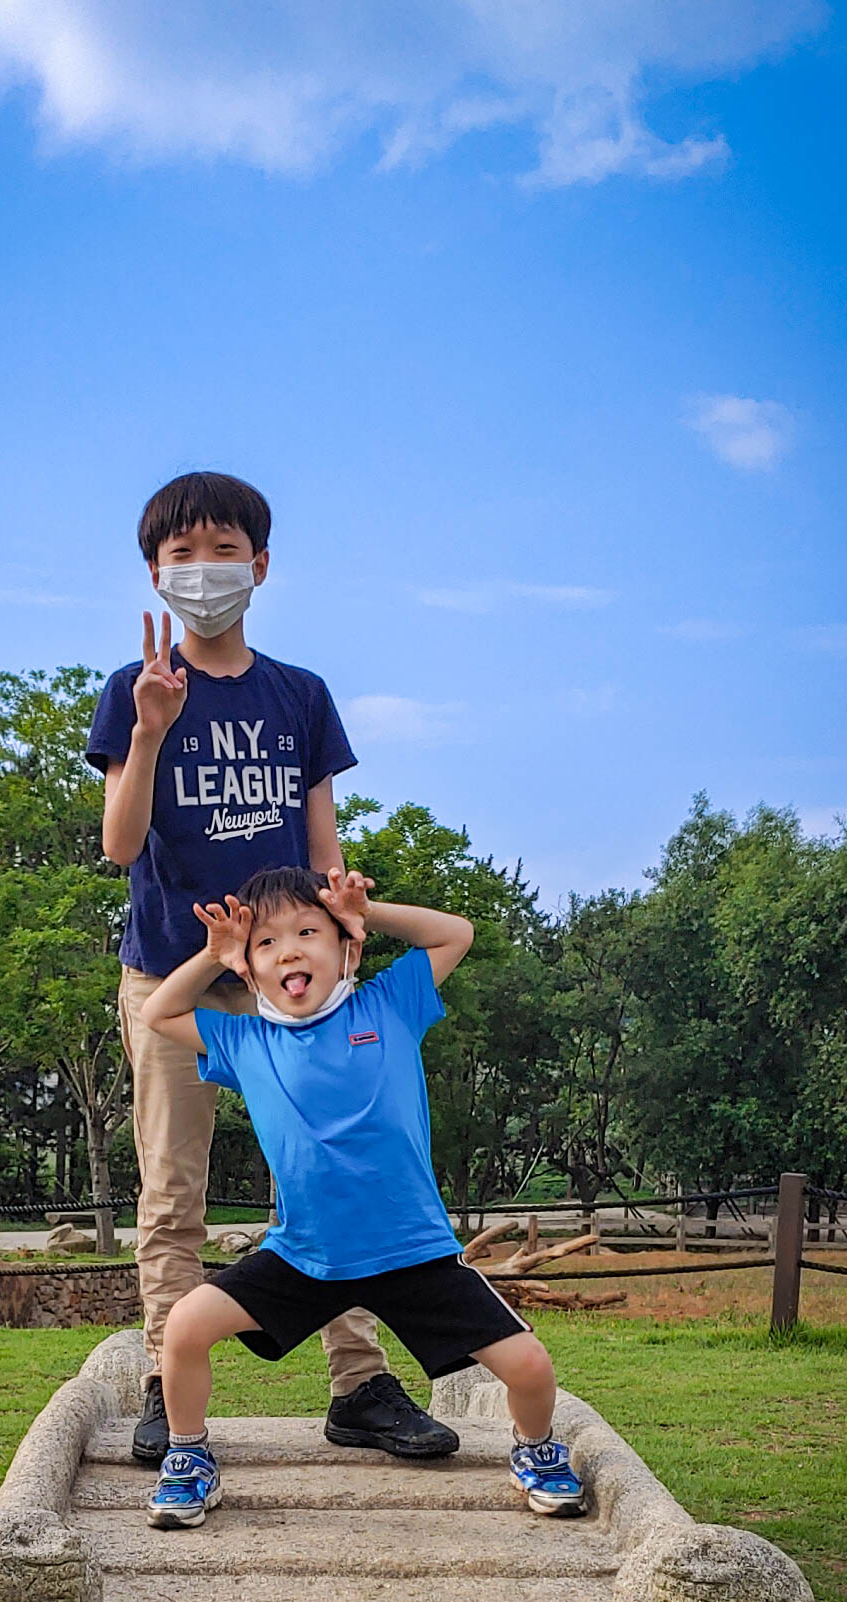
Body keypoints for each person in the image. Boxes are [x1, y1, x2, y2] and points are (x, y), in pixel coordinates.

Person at [86, 471, 456, 1464]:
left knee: (334, 1173)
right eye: (182, 553)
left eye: (223, 550)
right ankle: (168, 1382)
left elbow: (324, 852)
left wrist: (344, 929)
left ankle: (360, 1384)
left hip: (289, 977)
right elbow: (120, 846)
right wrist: (152, 731)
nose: (203, 570)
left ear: (259, 564)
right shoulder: (132, 690)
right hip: (174, 978)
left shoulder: (300, 696)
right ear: (154, 573)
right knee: (174, 1194)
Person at [137, 863, 587, 1529]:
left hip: (414, 1254)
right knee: (184, 1327)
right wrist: (213, 954)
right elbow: (158, 1012)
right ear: (250, 971)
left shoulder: (387, 1005)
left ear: (346, 948)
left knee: (530, 1366)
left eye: (308, 932)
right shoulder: (245, 1039)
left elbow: (455, 934)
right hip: (305, 1258)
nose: (288, 951)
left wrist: (366, 913)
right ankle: (188, 1454)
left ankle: (536, 1448)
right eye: (266, 943)